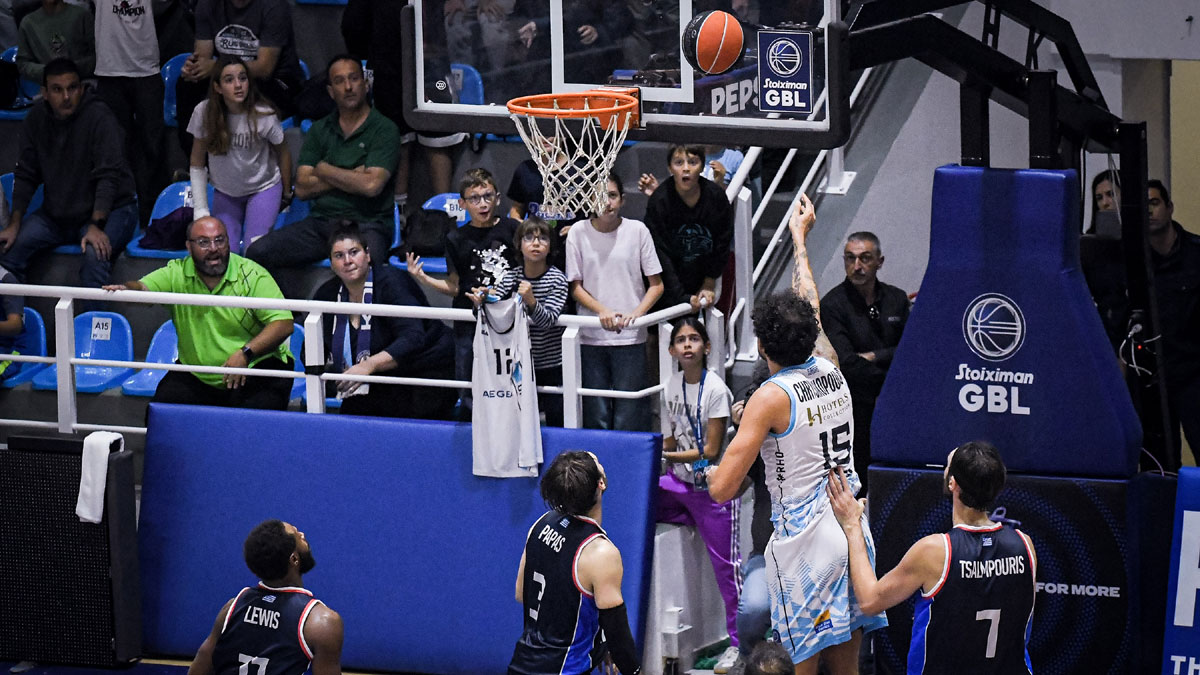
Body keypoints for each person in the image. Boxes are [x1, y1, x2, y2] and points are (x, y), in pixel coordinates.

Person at [707, 194, 887, 674]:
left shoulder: (770, 396)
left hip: (804, 541)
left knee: (800, 669)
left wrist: (730, 438)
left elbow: (722, 488)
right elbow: (809, 301)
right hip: (849, 526)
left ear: (763, 345)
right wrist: (799, 241)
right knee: (847, 667)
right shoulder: (831, 366)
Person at [827, 441, 1037, 675]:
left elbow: (868, 601)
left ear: (952, 483)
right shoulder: (1024, 545)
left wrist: (852, 524)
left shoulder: (935, 552)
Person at [103, 216, 295, 410]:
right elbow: (142, 288)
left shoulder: (252, 275)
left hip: (255, 366)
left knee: (251, 422)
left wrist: (245, 353)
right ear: (188, 246)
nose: (213, 248)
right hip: (197, 374)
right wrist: (126, 289)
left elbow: (284, 324)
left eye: (220, 240)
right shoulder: (176, 273)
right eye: (204, 242)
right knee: (161, 413)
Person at [246, 55, 399, 296]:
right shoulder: (320, 130)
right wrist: (353, 175)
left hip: (368, 223)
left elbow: (371, 185)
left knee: (370, 263)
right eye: (339, 81)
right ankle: (290, 319)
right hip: (322, 223)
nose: (348, 87)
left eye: (353, 79)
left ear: (365, 85)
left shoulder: (385, 129)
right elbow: (304, 188)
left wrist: (325, 170)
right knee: (258, 252)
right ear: (330, 91)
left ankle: (367, 326)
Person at [0, 58, 138, 292]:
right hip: (58, 215)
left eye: (72, 88)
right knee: (9, 252)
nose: (66, 97)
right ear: (44, 93)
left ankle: (90, 327)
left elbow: (108, 177)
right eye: (57, 89)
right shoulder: (35, 120)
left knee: (96, 255)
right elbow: (25, 174)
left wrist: (96, 224)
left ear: (81, 89)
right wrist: (14, 224)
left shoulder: (100, 117)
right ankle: (16, 322)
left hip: (113, 209)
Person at [508, 450, 641, 675]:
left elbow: (522, 593)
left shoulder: (541, 525)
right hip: (564, 669)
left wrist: (599, 647)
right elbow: (618, 634)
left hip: (521, 664)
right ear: (601, 483)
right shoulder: (600, 552)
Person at [657, 316, 740, 673]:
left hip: (713, 487)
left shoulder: (717, 389)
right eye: (681, 340)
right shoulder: (670, 386)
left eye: (694, 339)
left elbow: (711, 449)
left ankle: (739, 644)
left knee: (727, 570)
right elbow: (671, 438)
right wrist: (662, 459)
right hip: (679, 485)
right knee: (639, 499)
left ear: (706, 348)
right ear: (672, 350)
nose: (687, 345)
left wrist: (663, 456)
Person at [312, 221, 456, 420]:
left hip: (427, 368)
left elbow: (413, 337)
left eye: (354, 252)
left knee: (404, 426)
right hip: (375, 379)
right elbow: (311, 347)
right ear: (331, 262)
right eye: (339, 255)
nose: (347, 260)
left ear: (368, 255)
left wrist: (368, 365)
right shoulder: (326, 294)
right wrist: (334, 366)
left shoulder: (392, 282)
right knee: (349, 422)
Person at [407, 167, 518, 419]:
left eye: (488, 196)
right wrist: (423, 278)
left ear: (498, 198)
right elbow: (455, 286)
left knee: (509, 388)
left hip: (506, 322)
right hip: (468, 324)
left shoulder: (512, 230)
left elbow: (522, 275)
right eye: (475, 198)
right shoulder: (456, 238)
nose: (483, 204)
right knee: (469, 388)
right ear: (462, 203)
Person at [565, 171, 663, 431]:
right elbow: (575, 286)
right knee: (594, 411)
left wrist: (635, 315)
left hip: (630, 336)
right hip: (590, 335)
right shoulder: (577, 232)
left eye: (611, 195)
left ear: (622, 199)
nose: (606, 202)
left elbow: (657, 285)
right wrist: (602, 312)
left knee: (629, 412)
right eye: (599, 196)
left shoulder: (638, 231)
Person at [187, 519, 343, 675]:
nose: (302, 534)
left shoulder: (231, 609)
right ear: (294, 559)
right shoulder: (321, 622)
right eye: (298, 536)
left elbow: (198, 670)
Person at [820, 232, 910, 494]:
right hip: (853, 409)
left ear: (879, 262)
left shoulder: (897, 299)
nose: (857, 266)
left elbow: (909, 352)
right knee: (856, 484)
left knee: (894, 483)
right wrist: (889, 373)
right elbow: (845, 363)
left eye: (865, 259)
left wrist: (873, 356)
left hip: (895, 406)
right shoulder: (833, 305)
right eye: (850, 258)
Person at [188, 55, 292, 254]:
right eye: (229, 80)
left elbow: (284, 152)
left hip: (263, 188)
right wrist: (200, 210)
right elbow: (196, 161)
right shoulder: (203, 112)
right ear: (218, 87)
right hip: (226, 193)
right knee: (224, 251)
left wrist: (286, 195)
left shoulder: (264, 114)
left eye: (242, 78)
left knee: (255, 250)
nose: (238, 85)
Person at [175, 0, 304, 153]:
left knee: (241, 91)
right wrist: (194, 68)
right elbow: (203, 56)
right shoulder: (207, 4)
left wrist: (217, 67)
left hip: (276, 80)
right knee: (188, 85)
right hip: (229, 73)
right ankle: (197, 163)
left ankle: (246, 167)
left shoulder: (274, 6)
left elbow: (265, 68)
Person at [484, 217, 569, 426]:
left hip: (551, 363)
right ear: (519, 246)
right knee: (517, 419)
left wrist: (531, 300)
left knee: (556, 417)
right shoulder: (511, 276)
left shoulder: (557, 279)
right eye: (529, 238)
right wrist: (483, 300)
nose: (536, 243)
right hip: (518, 361)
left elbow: (548, 320)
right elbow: (497, 308)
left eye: (542, 239)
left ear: (551, 247)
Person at [93, 0, 164, 226]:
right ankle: (122, 213)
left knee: (153, 147)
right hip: (109, 71)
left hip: (146, 70)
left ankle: (154, 215)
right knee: (115, 148)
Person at [1145, 179, 1200, 469]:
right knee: (1160, 465)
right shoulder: (1133, 260)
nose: (1149, 211)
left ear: (1169, 207)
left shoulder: (1196, 253)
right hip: (1154, 377)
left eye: (1154, 202)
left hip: (1195, 373)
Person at [639, 144, 734, 311]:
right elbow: (659, 252)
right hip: (668, 281)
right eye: (678, 163)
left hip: (702, 274)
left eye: (692, 162)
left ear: (702, 166)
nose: (686, 168)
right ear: (669, 168)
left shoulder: (716, 197)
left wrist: (710, 280)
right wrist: (679, 295)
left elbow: (722, 241)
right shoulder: (659, 201)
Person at [15, 0, 94, 83]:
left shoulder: (82, 16)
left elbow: (98, 56)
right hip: (47, 88)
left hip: (84, 84)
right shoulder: (28, 23)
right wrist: (49, 71)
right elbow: (23, 63)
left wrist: (72, 68)